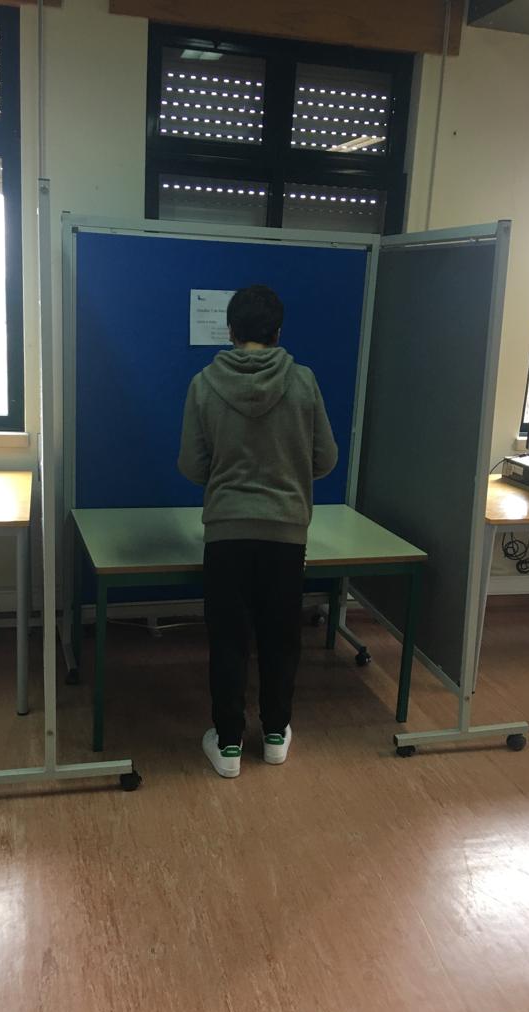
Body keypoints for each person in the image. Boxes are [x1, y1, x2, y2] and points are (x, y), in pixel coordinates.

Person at [178, 284, 338, 778]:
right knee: (280, 638)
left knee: (228, 640)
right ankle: (274, 736)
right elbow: (326, 459)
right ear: (278, 331)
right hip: (286, 534)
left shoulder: (204, 384)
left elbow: (191, 465)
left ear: (229, 330)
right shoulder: (304, 382)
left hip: (226, 532)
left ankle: (228, 744)